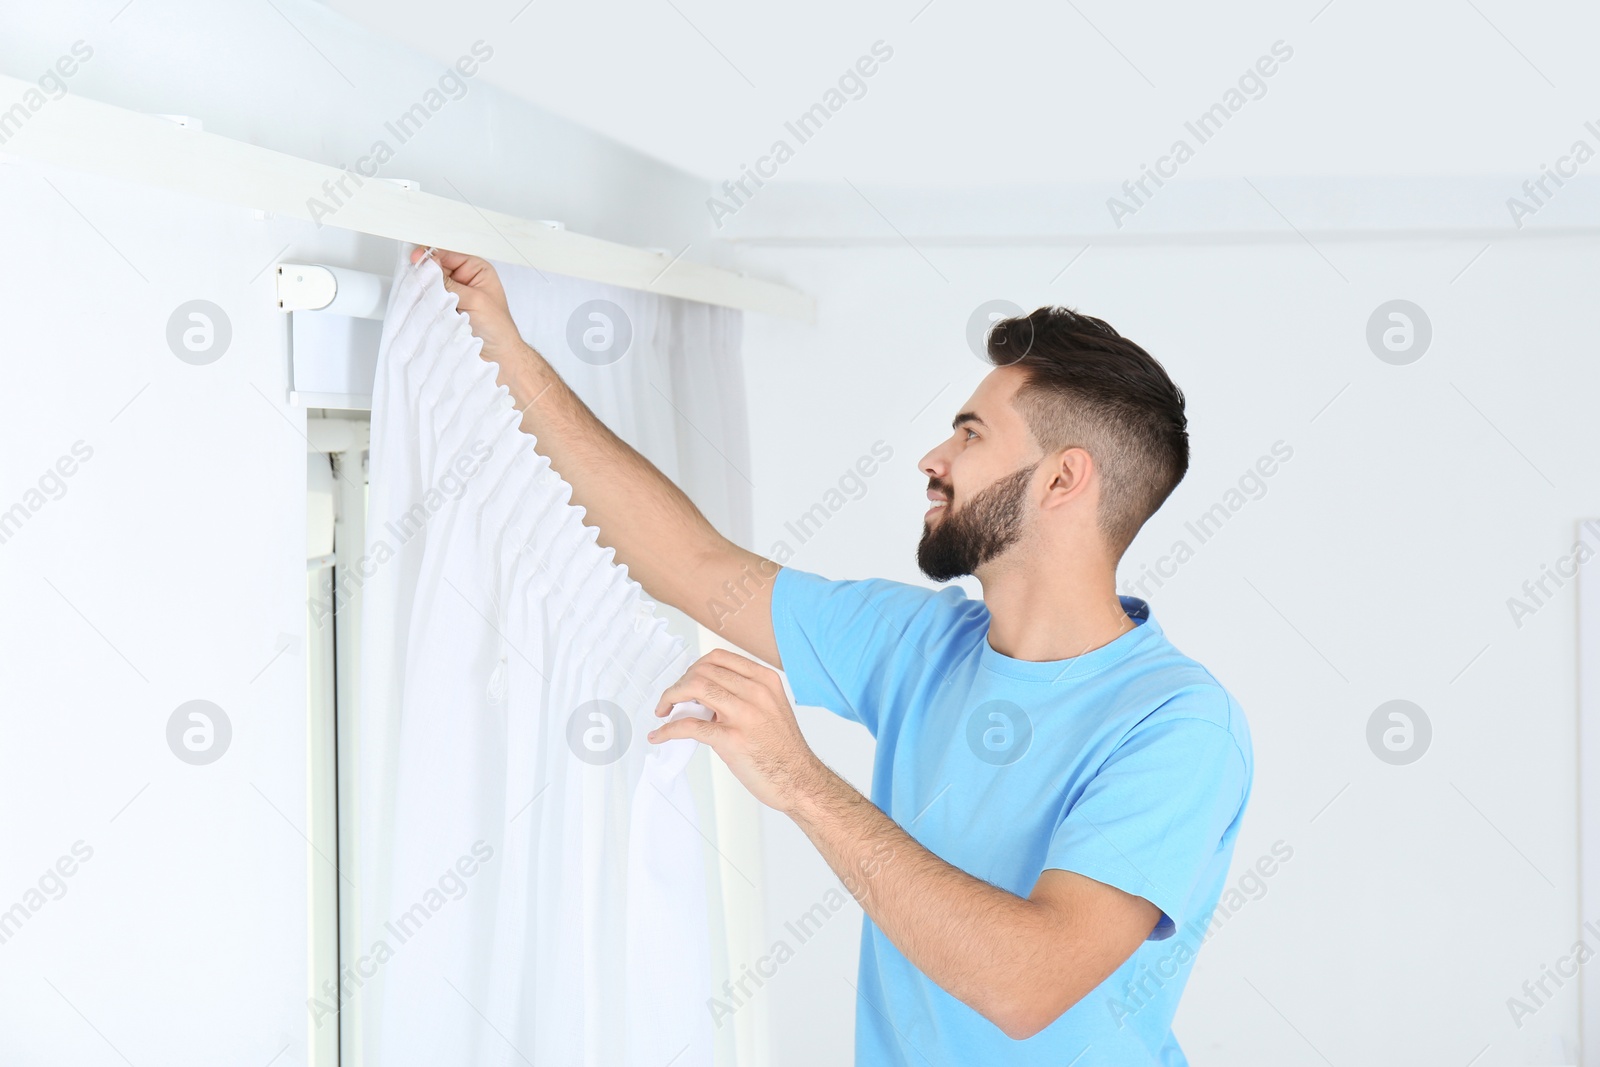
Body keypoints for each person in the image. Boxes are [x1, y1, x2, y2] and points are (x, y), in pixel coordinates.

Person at [409, 245, 1253, 1066]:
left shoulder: (1175, 724)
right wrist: (505, 351)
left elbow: (1024, 983)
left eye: (970, 433)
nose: (934, 457)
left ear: (1064, 480)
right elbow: (692, 565)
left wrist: (800, 781)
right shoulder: (922, 644)